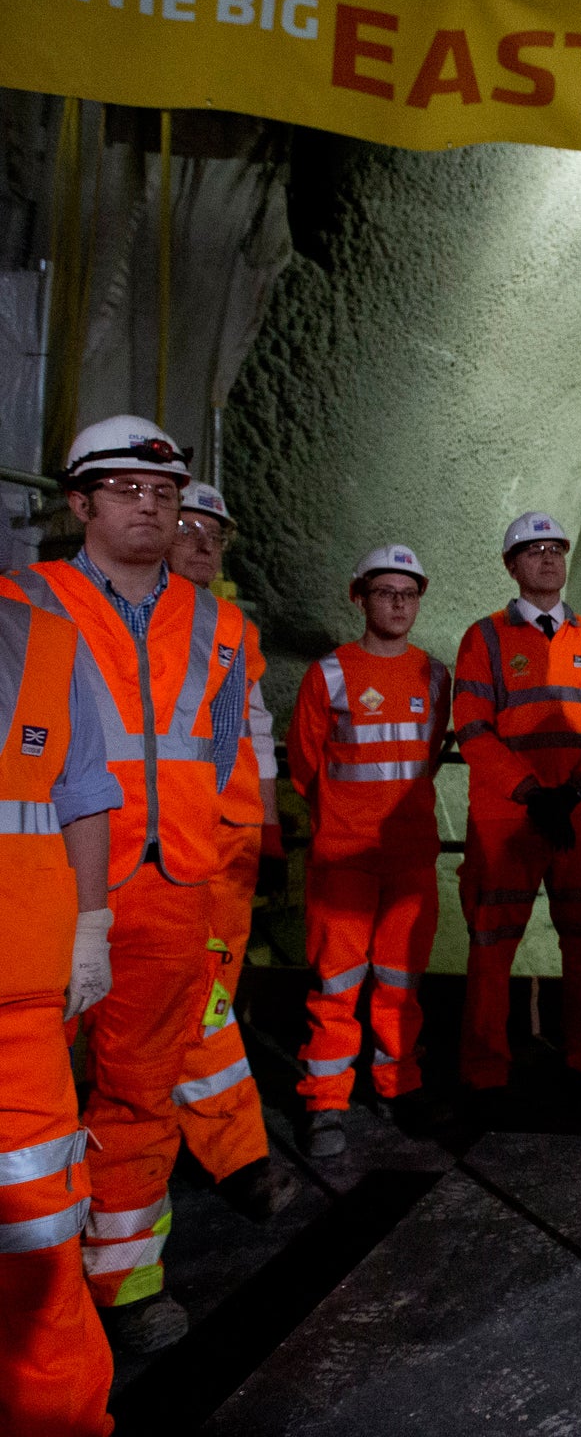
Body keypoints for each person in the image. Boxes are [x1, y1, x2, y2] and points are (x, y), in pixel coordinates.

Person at [9, 416, 251, 1353]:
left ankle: (126, 1280)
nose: (147, 506)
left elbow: (222, 752)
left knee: (142, 1093)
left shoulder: (223, 624)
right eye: (123, 490)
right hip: (51, 887)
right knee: (21, 1096)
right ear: (79, 503)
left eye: (163, 492)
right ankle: (27, 1286)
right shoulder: (23, 600)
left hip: (172, 885)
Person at [453, 512, 581, 1104]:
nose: (548, 558)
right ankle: (484, 1069)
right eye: (533, 551)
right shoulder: (484, 639)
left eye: (556, 548)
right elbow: (473, 729)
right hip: (511, 819)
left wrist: (578, 790)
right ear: (511, 566)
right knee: (491, 945)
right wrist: (532, 792)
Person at [0, 576, 121, 1436]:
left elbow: (81, 794)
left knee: (39, 1233)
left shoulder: (44, 642)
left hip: (17, 992)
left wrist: (91, 924)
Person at [163, 482, 299, 1218]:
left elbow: (252, 732)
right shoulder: (126, 622)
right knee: (188, 1001)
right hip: (152, 845)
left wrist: (268, 827)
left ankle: (219, 1147)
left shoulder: (228, 628)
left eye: (215, 531)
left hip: (227, 844)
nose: (204, 541)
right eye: (189, 526)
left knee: (209, 994)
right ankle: (229, 1152)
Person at [290, 545, 450, 1156]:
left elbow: (428, 754)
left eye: (408, 594)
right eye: (385, 592)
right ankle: (324, 1103)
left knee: (400, 982)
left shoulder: (435, 675)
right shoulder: (328, 674)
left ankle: (398, 1085)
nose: (398, 603)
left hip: (410, 858)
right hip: (344, 859)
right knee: (336, 982)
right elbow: (306, 765)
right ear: (359, 598)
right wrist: (344, 819)